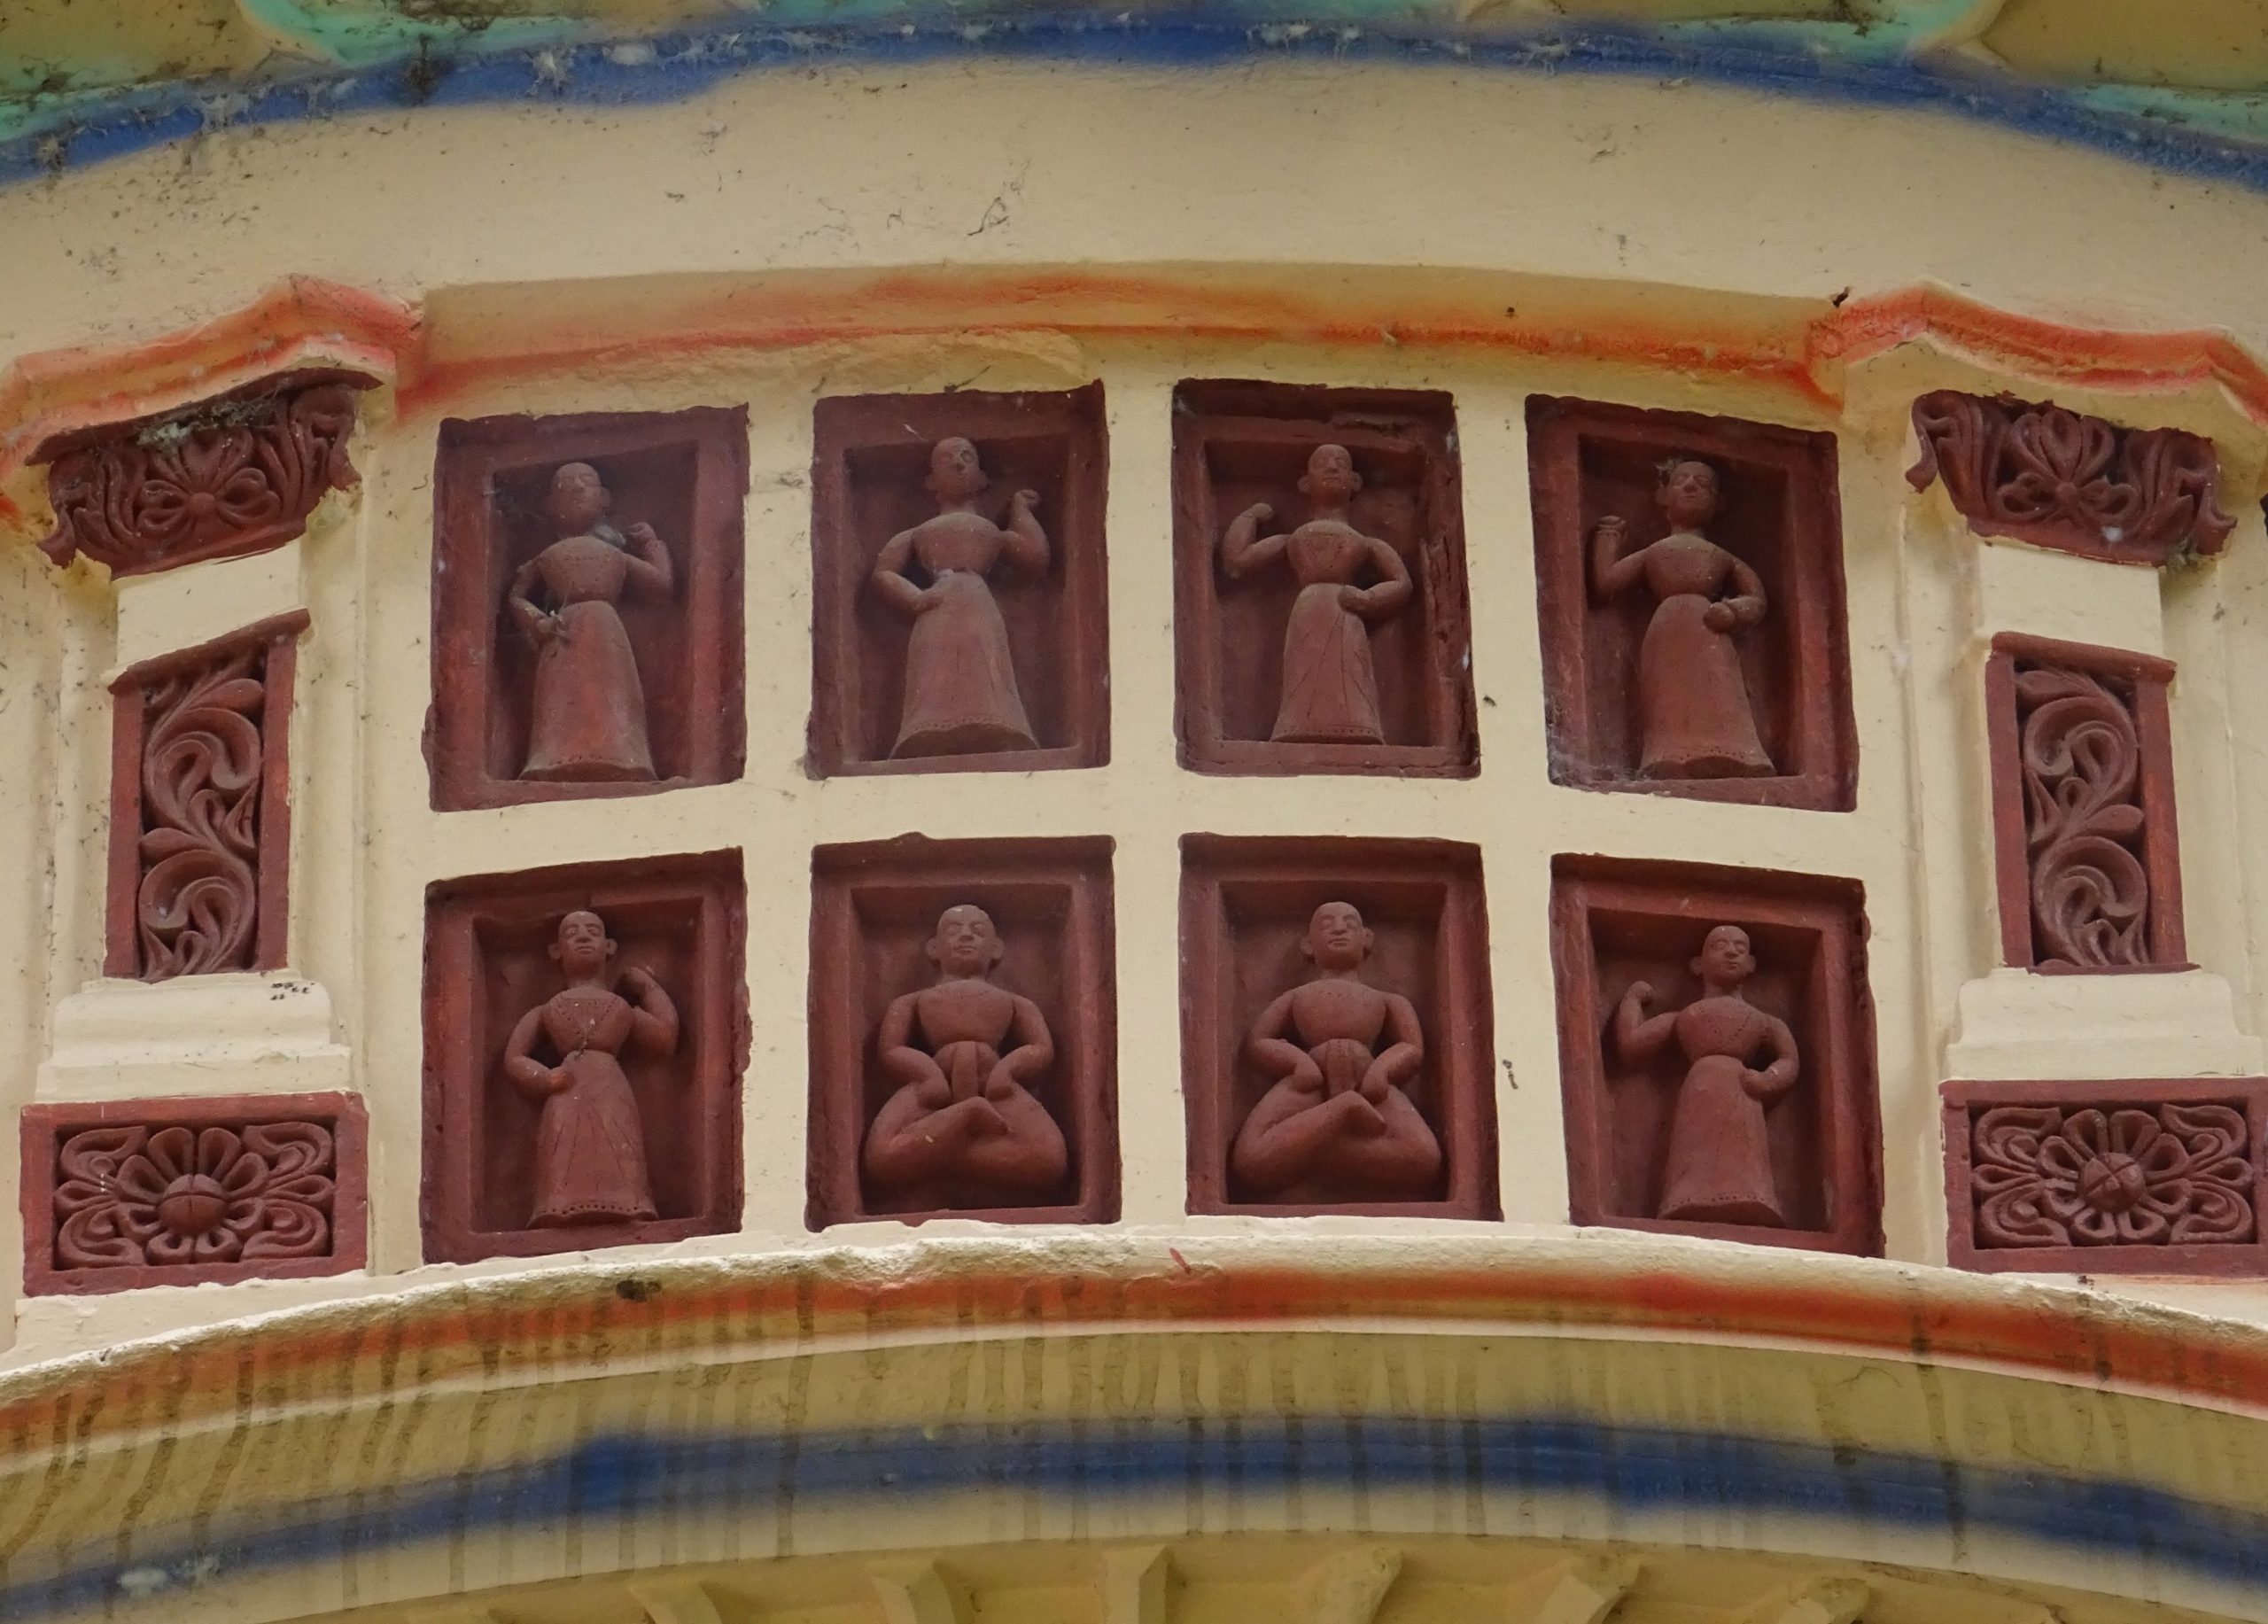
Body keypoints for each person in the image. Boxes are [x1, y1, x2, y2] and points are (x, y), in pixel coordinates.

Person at [1231, 901, 1442, 1202]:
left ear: (1366, 939)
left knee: (1423, 1158)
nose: (1339, 929)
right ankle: (1343, 1110)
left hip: (1368, 1084)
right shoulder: (1296, 997)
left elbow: (1411, 1046)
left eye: (1350, 924)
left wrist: (1382, 1070)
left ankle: (1311, 1152)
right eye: (1326, 924)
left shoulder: (1389, 1000)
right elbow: (1260, 1040)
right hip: (1310, 1081)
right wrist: (1297, 1061)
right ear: (1308, 945)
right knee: (1251, 1160)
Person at [863, 905, 1069, 1209]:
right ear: (933, 948)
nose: (966, 936)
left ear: (996, 948)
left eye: (978, 931)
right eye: (953, 930)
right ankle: (967, 1117)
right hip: (935, 1083)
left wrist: (1008, 1071)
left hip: (994, 1083)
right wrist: (925, 1073)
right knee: (882, 1157)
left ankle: (941, 1156)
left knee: (1049, 1160)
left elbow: (1040, 1047)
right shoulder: (911, 1002)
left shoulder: (1016, 1003)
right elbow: (891, 1049)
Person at [1589, 458, 1773, 778]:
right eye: (1681, 481)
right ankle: (1667, 755)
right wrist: (1608, 538)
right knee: (1670, 693)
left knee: (1719, 688)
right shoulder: (1655, 552)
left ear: (1719, 502)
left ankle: (1738, 754)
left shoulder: (1721, 556)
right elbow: (1606, 583)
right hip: (1669, 632)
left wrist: (1733, 611)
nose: (1690, 487)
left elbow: (1757, 599)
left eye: (1703, 485)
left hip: (1710, 630)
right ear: (1663, 496)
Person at [1220, 443, 1413, 744]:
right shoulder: (1293, 539)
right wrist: (1250, 517)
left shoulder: (1367, 543)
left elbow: (1401, 582)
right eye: (1322, 463)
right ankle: (1296, 726)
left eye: (1340, 463)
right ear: (1305, 482)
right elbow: (1238, 559)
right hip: (1310, 611)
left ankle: (1359, 726)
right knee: (1304, 669)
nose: (1332, 468)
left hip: (1345, 611)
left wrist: (1368, 599)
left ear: (1355, 481)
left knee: (1349, 673)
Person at [501, 910, 680, 1225]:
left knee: (618, 1143)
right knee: (565, 1149)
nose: (583, 937)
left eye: (593, 932)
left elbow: (664, 1037)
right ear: (556, 950)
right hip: (566, 1090)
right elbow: (515, 1057)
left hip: (610, 1089)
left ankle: (627, 1203)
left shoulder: (621, 1007)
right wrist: (544, 1078)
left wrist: (648, 988)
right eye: (572, 934)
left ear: (609, 946)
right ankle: (559, 1206)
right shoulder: (547, 1010)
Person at [871, 438, 1046, 757]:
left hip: (978, 604)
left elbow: (1034, 557)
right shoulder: (919, 532)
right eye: (946, 460)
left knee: (985, 661)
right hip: (937, 606)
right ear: (931, 481)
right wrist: (915, 597)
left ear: (982, 477)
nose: (958, 464)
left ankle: (998, 724)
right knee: (936, 668)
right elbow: (884, 572)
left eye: (967, 457)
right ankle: (925, 731)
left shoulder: (990, 531)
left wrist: (1020, 509)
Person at [1612, 924, 1798, 1225]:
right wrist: (1632, 1000)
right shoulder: (1686, 1016)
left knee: (1743, 1150)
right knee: (1696, 1150)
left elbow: (1789, 1058)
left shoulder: (1764, 1021)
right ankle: (1688, 1198)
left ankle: (1752, 1198)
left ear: (1751, 964)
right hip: (1701, 1092)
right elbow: (1632, 1044)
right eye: (1720, 946)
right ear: (1697, 965)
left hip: (1742, 1092)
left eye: (1740, 948)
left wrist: (1769, 1078)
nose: (1731, 952)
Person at [506, 462, 673, 781]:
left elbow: (661, 585)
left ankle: (621, 756)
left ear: (605, 498)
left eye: (586, 482)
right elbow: (517, 596)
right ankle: (551, 759)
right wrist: (538, 622)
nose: (577, 489)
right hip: (563, 633)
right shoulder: (547, 557)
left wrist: (651, 544)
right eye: (565, 485)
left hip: (605, 631)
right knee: (562, 697)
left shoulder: (614, 554)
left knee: (611, 692)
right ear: (549, 505)